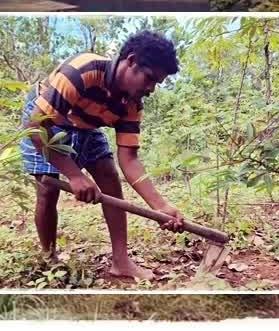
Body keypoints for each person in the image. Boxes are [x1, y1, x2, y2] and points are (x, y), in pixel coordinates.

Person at [19, 30, 185, 280]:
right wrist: (74, 175)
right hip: (46, 119)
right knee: (47, 189)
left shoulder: (132, 103)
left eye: (156, 84)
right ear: (131, 61)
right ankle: (49, 257)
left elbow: (129, 159)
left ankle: (121, 262)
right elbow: (35, 127)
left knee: (109, 176)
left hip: (86, 124)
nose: (151, 89)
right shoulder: (81, 72)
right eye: (149, 78)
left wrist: (160, 206)